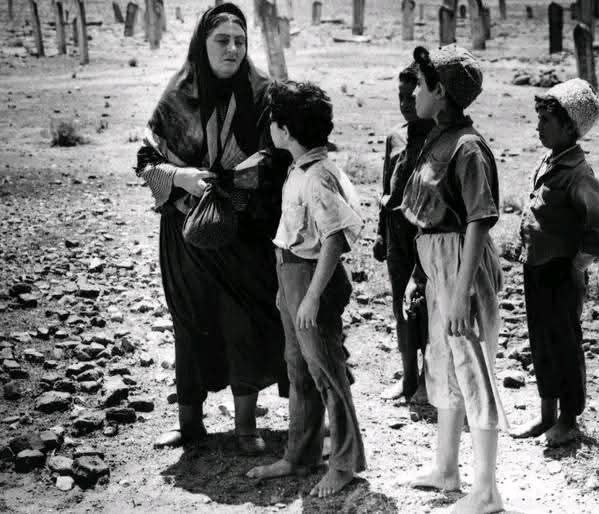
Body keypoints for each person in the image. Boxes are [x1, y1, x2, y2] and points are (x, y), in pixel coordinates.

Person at [134, 3, 291, 453]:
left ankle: (246, 427)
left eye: (240, 41)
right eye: (222, 40)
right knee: (190, 322)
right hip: (187, 233)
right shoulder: (177, 96)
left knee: (242, 323)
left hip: (244, 232)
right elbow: (146, 162)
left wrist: (240, 184)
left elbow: (281, 158)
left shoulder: (263, 95)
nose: (232, 49)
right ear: (202, 45)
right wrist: (182, 177)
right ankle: (190, 426)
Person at [400, 45, 508, 514]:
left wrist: (461, 293)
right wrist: (420, 275)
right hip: (439, 264)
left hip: (462, 263)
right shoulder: (438, 137)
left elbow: (479, 220)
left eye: (421, 85)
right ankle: (446, 469)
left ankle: (486, 491)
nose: (413, 93)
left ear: (440, 91)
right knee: (444, 364)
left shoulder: (468, 147)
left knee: (474, 371)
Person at [246, 81, 366, 498]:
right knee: (298, 368)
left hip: (312, 278)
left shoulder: (317, 177)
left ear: (285, 130)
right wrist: (289, 291)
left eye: (273, 122)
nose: (270, 128)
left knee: (326, 370)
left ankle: (344, 463)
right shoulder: (300, 169)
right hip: (293, 275)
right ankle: (300, 455)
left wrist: (312, 296)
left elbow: (334, 238)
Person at [510, 78, 599, 447]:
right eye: (538, 118)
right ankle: (546, 415)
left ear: (570, 128)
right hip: (537, 267)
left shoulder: (578, 173)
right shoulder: (549, 161)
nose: (538, 126)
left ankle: (569, 419)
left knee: (565, 344)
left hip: (561, 273)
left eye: (546, 120)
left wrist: (578, 264)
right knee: (541, 341)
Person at [374, 64, 435, 403]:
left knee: (426, 307)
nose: (405, 104)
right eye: (400, 97)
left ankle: (428, 377)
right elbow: (387, 188)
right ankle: (408, 375)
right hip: (396, 235)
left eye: (411, 97)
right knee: (401, 308)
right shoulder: (395, 138)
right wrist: (380, 234)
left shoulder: (439, 138)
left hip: (426, 237)